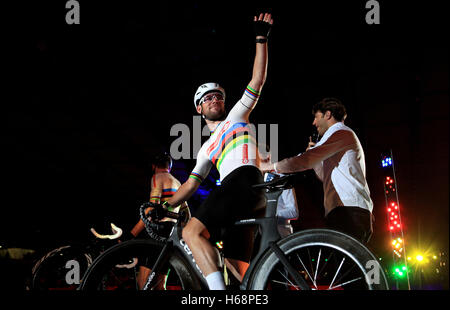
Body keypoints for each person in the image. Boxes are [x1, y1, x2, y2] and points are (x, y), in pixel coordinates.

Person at [161, 13, 273, 290]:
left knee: (191, 231)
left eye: (218, 96)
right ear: (199, 108)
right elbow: (189, 185)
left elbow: (257, 80)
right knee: (238, 268)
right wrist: (164, 207)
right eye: (207, 98)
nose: (214, 99)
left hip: (243, 182)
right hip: (246, 197)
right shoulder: (206, 149)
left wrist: (261, 38)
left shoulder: (236, 116)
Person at [260, 98, 374, 244]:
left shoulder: (341, 133)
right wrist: (315, 160)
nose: (314, 123)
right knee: (346, 263)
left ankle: (374, 268)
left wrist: (271, 167)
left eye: (316, 117)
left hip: (350, 210)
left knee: (353, 261)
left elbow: (303, 161)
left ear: (327, 115)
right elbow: (323, 176)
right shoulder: (334, 138)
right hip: (342, 210)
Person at [129, 152, 190, 289]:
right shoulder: (178, 182)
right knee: (160, 284)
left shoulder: (157, 177)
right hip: (172, 234)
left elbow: (151, 210)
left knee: (143, 283)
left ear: (153, 166)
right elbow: (186, 215)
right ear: (170, 166)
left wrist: (132, 233)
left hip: (158, 232)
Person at [259, 144, 299, 237]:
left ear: (269, 157)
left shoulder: (282, 180)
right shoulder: (258, 182)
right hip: (263, 237)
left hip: (281, 236)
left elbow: (293, 211)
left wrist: (269, 215)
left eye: (260, 159)